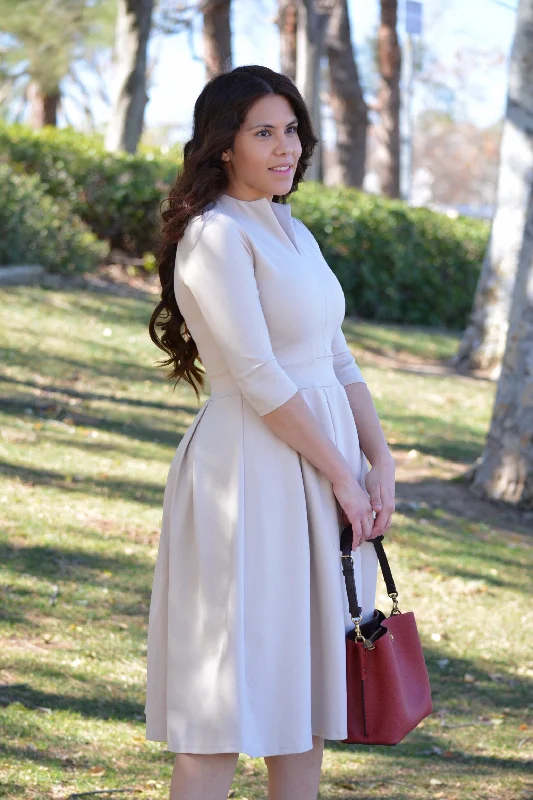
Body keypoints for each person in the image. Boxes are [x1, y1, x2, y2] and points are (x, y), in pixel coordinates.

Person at [145, 64, 396, 800]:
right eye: (263, 132)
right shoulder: (214, 236)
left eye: (290, 130)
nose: (285, 147)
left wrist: (376, 460)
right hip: (249, 475)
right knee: (220, 713)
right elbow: (258, 378)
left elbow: (335, 356)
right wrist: (344, 477)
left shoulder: (292, 228)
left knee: (304, 704)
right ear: (225, 145)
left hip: (323, 472)